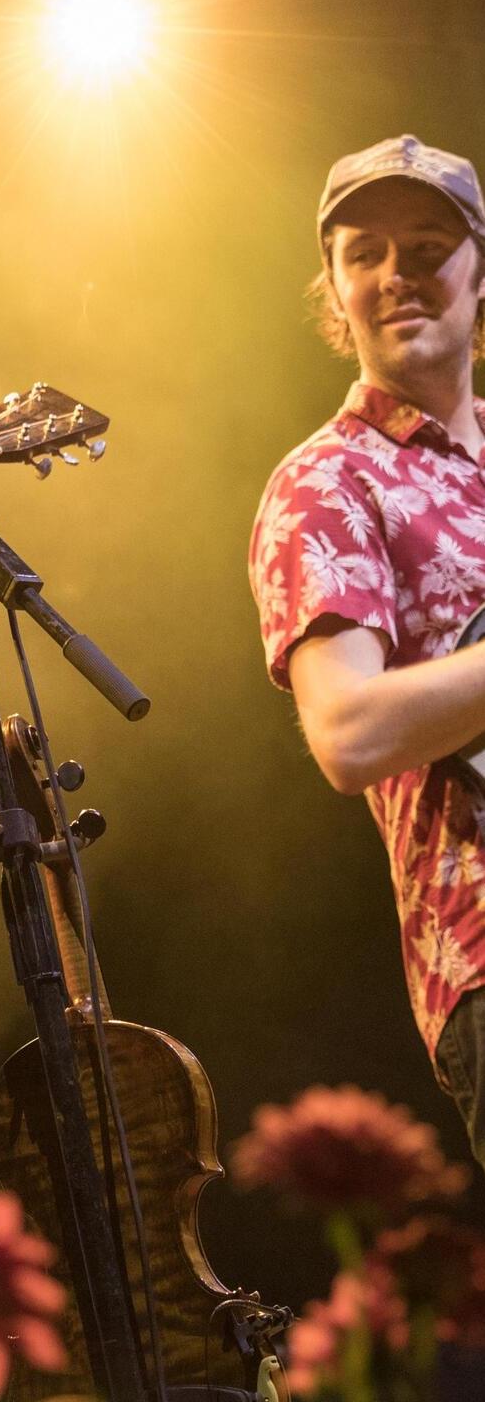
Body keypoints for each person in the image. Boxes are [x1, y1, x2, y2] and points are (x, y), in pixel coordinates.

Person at [250, 133, 485, 1164]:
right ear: (333, 289)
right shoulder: (326, 483)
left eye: (427, 247)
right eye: (364, 253)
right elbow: (344, 734)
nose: (396, 275)